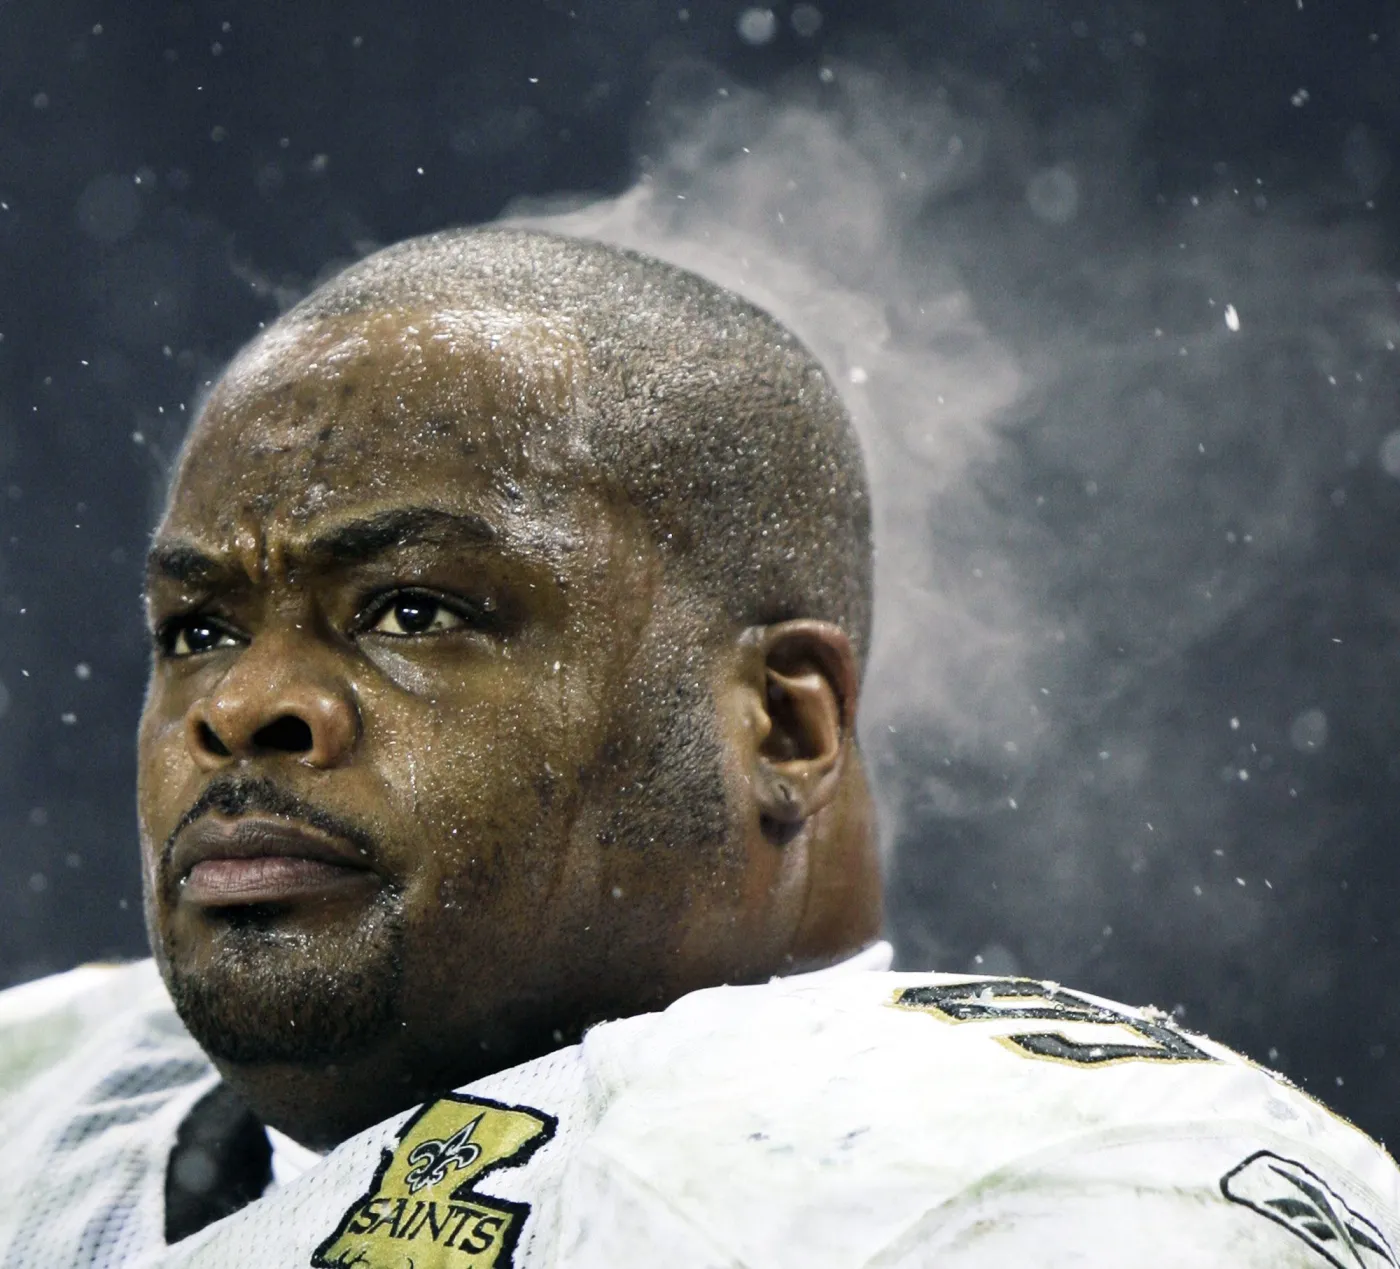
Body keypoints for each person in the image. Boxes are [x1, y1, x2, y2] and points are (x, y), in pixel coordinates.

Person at [0, 228, 1395, 1268]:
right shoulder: (45, 1091)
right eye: (196, 627)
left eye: (411, 610)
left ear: (783, 725)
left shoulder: (1030, 1183)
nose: (240, 705)